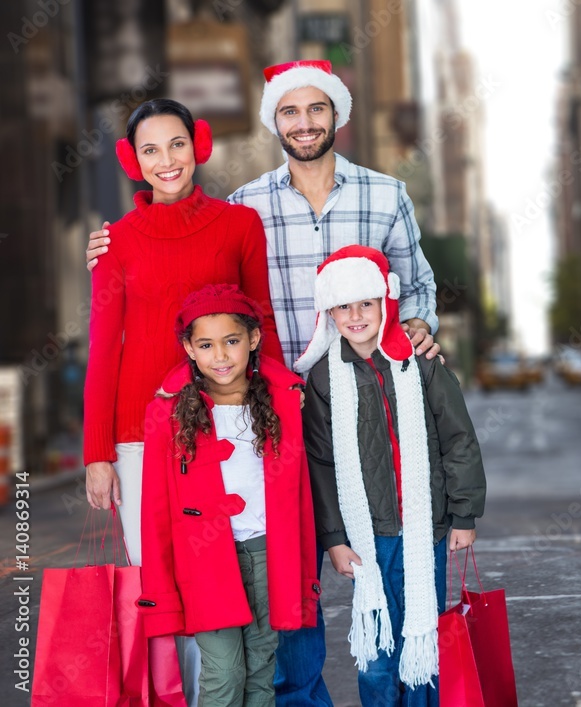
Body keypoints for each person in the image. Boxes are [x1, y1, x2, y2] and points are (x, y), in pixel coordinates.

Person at [87, 60, 443, 705]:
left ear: (338, 115)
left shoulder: (371, 197)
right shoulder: (228, 209)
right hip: (211, 418)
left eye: (316, 110)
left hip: (328, 405)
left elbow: (403, 288)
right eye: (289, 111)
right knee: (229, 572)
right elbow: (126, 343)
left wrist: (415, 326)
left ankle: (391, 689)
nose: (303, 122)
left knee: (350, 560)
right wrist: (99, 453)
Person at [298, 246, 486, 706]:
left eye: (366, 302)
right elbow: (320, 464)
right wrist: (334, 538)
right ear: (330, 313)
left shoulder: (420, 363)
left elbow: (458, 439)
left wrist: (464, 515)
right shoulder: (323, 379)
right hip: (367, 538)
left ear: (386, 302)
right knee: (378, 649)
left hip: (427, 529)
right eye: (344, 306)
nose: (356, 315)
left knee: (423, 638)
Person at [138, 284, 320, 706]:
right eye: (206, 345)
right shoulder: (167, 415)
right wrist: (161, 587)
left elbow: (302, 498)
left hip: (266, 554)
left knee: (261, 667)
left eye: (232, 341)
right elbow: (157, 511)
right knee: (224, 672)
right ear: (189, 348)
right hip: (204, 561)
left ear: (253, 340)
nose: (220, 356)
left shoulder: (282, 404)